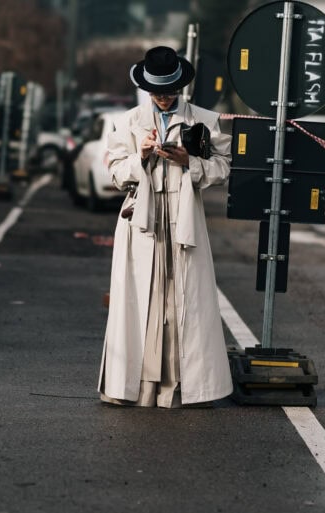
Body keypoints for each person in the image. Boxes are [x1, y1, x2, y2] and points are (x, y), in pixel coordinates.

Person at [97, 46, 233, 408]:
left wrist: (191, 162)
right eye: (157, 91)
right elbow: (114, 173)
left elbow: (224, 168)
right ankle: (135, 388)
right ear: (146, 87)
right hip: (139, 220)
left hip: (184, 216)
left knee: (183, 300)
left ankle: (187, 389)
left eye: (169, 90)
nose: (163, 97)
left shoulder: (204, 119)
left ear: (180, 84)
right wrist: (140, 156)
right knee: (140, 298)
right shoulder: (125, 122)